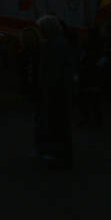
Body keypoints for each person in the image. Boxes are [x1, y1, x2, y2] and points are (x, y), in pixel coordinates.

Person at [36, 15, 75, 169]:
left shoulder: (55, 45)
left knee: (58, 125)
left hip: (57, 91)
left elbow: (54, 71)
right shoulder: (57, 43)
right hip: (58, 90)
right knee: (58, 125)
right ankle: (61, 155)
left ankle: (62, 157)